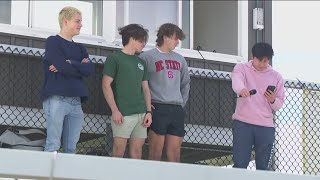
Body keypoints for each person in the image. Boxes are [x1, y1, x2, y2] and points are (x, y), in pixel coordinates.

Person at [41, 6, 94, 153]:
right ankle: (48, 176)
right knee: (53, 145)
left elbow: (89, 70)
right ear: (65, 21)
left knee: (71, 148)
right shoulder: (53, 42)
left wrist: (71, 63)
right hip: (56, 98)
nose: (81, 24)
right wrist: (76, 66)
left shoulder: (81, 48)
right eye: (77, 21)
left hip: (76, 101)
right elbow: (61, 66)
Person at [139, 23, 190, 162]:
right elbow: (140, 83)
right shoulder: (147, 57)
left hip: (176, 109)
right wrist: (147, 105)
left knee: (175, 155)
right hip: (157, 107)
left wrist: (181, 103)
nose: (177, 42)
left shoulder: (180, 59)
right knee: (155, 153)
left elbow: (185, 84)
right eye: (175, 38)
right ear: (165, 37)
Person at [231, 42, 285, 170]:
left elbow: (279, 104)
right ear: (252, 56)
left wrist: (272, 100)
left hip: (265, 126)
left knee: (263, 166)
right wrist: (242, 89)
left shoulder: (277, 77)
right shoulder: (241, 68)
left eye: (265, 61)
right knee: (240, 162)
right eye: (259, 60)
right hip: (243, 122)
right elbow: (236, 81)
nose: (262, 64)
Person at [102, 24, 152, 159]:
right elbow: (106, 85)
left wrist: (148, 112)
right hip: (123, 113)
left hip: (141, 114)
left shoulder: (142, 62)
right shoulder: (115, 58)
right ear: (131, 38)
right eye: (141, 41)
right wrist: (115, 110)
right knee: (118, 151)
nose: (143, 44)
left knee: (137, 152)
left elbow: (146, 89)